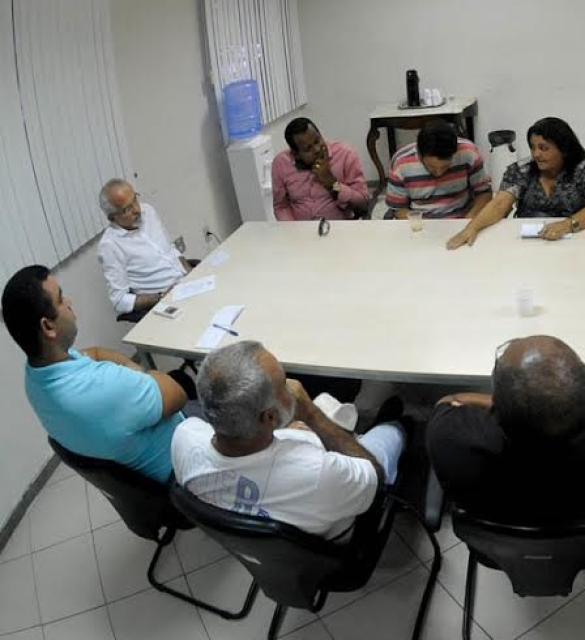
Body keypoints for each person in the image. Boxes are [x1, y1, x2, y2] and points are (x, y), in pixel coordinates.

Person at [171, 340, 406, 541]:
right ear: (270, 417)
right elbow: (376, 477)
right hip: (332, 539)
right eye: (285, 383)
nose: (294, 386)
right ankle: (397, 423)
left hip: (265, 540)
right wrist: (311, 414)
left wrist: (286, 433)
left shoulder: (184, 436)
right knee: (390, 434)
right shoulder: (319, 471)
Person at [426, 335, 585, 524]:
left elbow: (449, 401)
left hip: (498, 545)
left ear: (496, 411)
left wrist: (498, 402)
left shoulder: (450, 439)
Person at [2, 265, 188, 482]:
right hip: (184, 468)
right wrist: (142, 375)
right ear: (48, 326)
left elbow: (96, 352)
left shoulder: (36, 378)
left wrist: (137, 375)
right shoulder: (103, 386)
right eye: (61, 299)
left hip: (142, 474)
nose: (69, 302)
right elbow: (177, 394)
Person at [447, 118, 585, 249]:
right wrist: (472, 228)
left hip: (579, 237)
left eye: (543, 148)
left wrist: (567, 225)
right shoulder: (520, 171)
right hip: (530, 242)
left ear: (564, 149)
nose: (536, 154)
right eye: (533, 147)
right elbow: (499, 204)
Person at [96, 179, 191, 315]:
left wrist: (192, 273)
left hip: (187, 284)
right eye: (127, 209)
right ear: (112, 218)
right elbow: (119, 301)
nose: (137, 210)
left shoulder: (148, 211)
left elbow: (170, 249)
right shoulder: (110, 245)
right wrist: (161, 296)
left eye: (135, 199)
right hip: (167, 300)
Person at [384, 120, 492, 220]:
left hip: (462, 218)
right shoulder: (401, 163)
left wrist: (468, 220)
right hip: (422, 222)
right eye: (431, 167)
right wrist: (425, 226)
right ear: (420, 154)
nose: (439, 173)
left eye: (445, 166)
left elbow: (484, 193)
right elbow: (398, 209)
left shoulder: (469, 153)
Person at [272, 117, 369, 221]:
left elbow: (363, 204)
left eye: (317, 141)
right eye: (308, 149)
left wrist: (332, 184)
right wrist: (293, 230)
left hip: (339, 228)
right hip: (300, 231)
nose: (317, 149)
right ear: (296, 154)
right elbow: (281, 206)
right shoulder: (281, 163)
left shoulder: (345, 155)